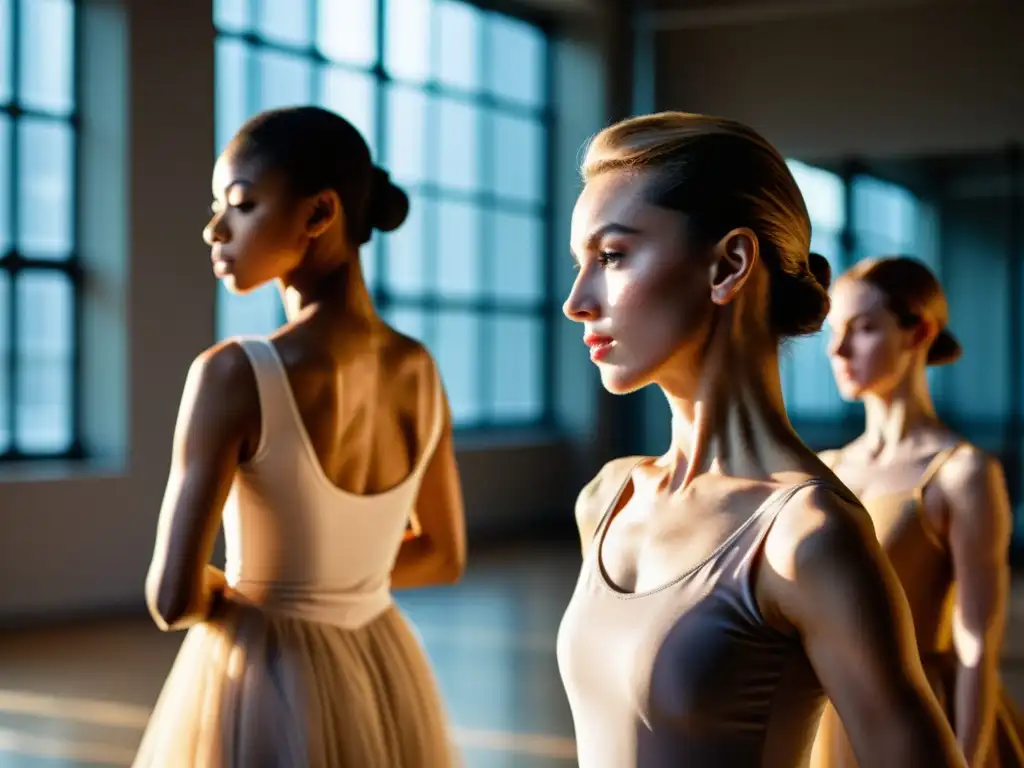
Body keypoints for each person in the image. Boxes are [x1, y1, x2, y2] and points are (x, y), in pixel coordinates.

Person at [555, 111, 965, 768]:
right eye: (580, 262)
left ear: (729, 264)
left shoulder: (809, 535)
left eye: (611, 256)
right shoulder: (608, 498)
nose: (578, 299)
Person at [134, 106, 465, 767]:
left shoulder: (231, 374)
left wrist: (248, 589)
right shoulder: (419, 368)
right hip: (379, 660)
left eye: (242, 204)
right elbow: (442, 556)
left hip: (266, 667)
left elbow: (172, 600)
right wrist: (340, 578)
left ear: (319, 215)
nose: (213, 230)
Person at [810, 256, 1024, 768]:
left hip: (923, 715)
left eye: (863, 329)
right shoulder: (824, 469)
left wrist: (967, 758)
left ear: (919, 332)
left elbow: (977, 644)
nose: (838, 350)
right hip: (832, 714)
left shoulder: (963, 474)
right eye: (833, 331)